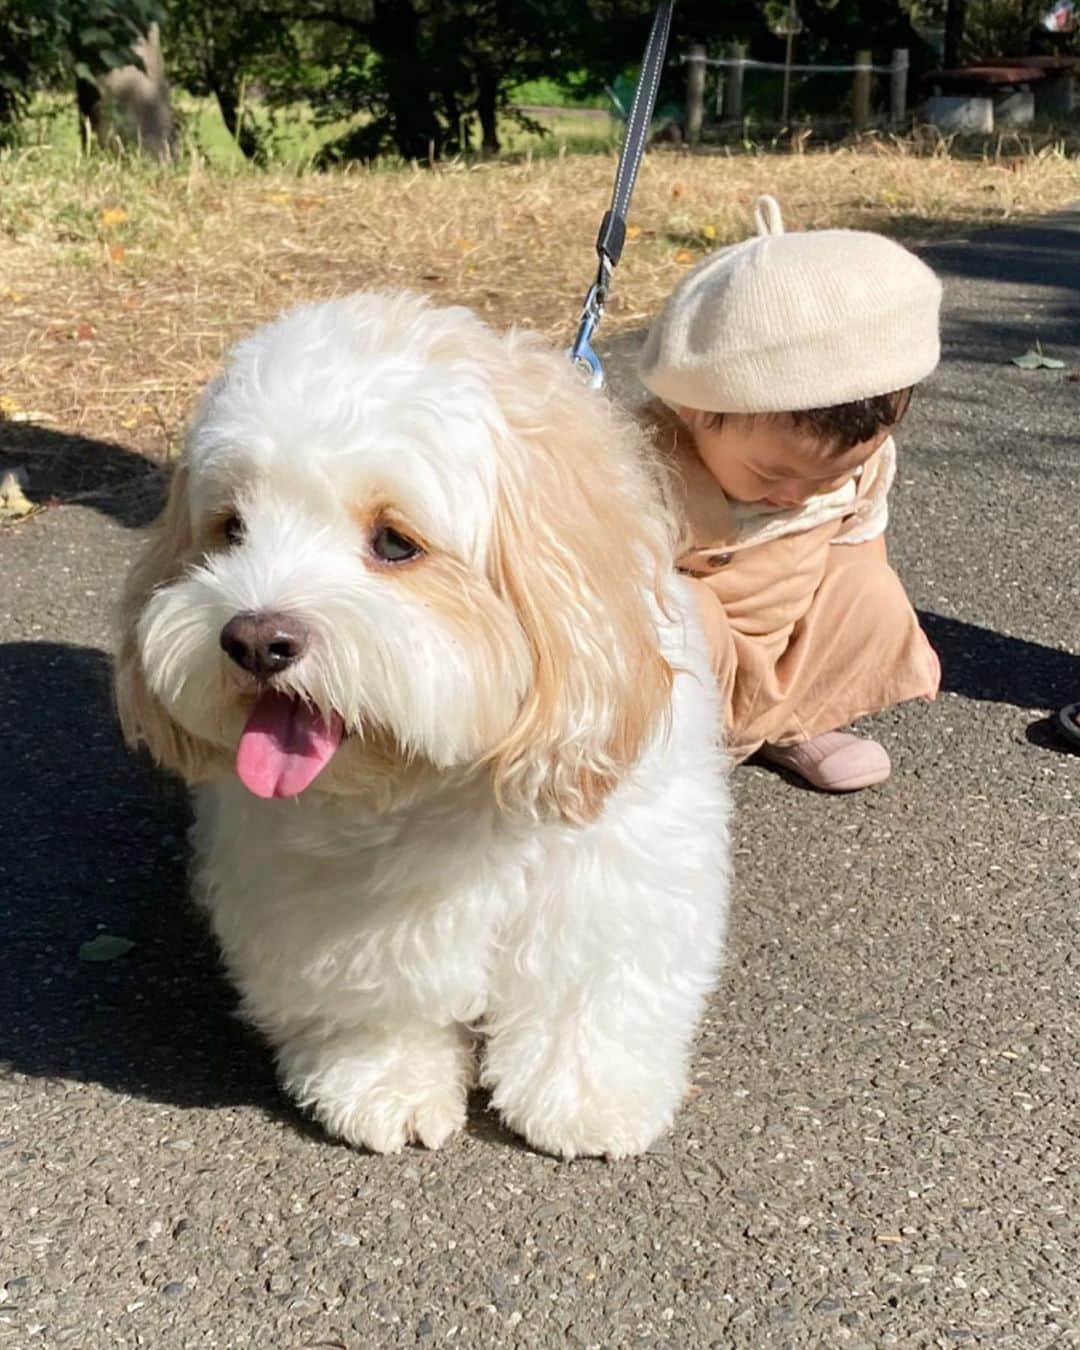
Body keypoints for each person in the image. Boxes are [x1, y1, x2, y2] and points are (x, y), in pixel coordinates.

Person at [638, 195, 942, 791]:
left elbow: (859, 540)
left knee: (866, 585)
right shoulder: (650, 469)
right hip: (698, 666)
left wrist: (858, 636)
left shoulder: (860, 467)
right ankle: (658, 750)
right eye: (773, 475)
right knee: (670, 611)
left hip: (785, 645)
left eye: (829, 477)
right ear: (698, 407)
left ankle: (798, 719)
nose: (797, 496)